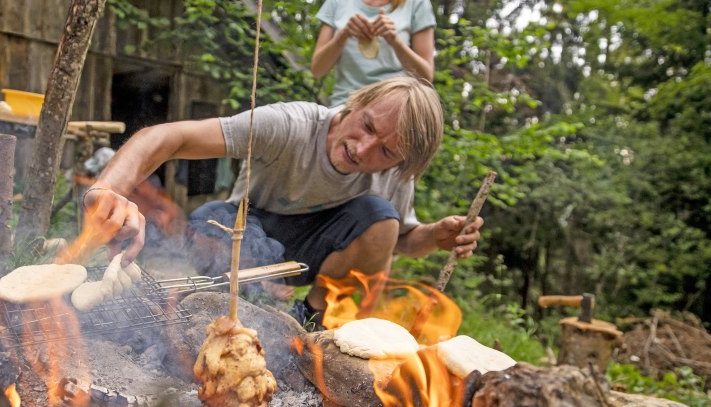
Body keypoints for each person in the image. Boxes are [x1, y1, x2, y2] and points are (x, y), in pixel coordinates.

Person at [82, 76, 483, 325]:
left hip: (313, 256)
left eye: (386, 151)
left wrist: (433, 236)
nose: (363, 150)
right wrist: (107, 191)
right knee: (212, 220)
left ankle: (310, 320)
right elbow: (169, 137)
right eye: (367, 127)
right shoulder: (291, 125)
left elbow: (398, 241)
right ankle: (243, 298)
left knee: (382, 216)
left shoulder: (392, 172)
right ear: (357, 102)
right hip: (246, 235)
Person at [311, 0, 436, 106]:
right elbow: (317, 70)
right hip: (345, 107)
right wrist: (343, 35)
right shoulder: (336, 2)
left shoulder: (417, 3)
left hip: (395, 109)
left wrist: (395, 41)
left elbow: (425, 77)